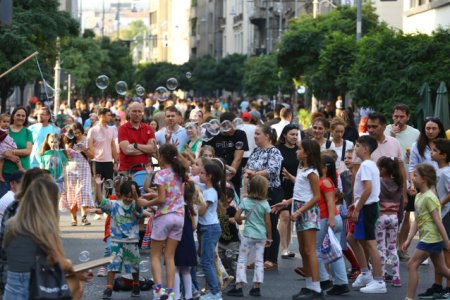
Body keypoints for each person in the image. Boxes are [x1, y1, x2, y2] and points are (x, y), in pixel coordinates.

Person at [3, 175, 85, 300]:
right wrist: (73, 267)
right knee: (77, 284)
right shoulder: (44, 227)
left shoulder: (12, 223)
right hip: (34, 289)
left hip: (11, 289)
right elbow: (58, 262)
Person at [273, 139, 323, 299]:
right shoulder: (302, 168)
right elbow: (300, 194)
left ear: (307, 153)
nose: (296, 150)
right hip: (300, 209)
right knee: (303, 250)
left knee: (309, 251)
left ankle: (317, 289)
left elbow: (316, 197)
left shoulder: (312, 173)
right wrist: (286, 202)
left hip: (307, 212)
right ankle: (309, 285)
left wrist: (299, 211)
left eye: (299, 148)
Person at [137, 144, 187, 300]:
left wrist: (146, 203)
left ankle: (159, 290)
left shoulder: (161, 174)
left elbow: (162, 199)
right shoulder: (180, 173)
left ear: (162, 156)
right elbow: (170, 195)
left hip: (164, 217)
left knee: (155, 256)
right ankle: (171, 292)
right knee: (170, 257)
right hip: (179, 217)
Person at [402, 164, 450, 300]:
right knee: (442, 269)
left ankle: (409, 298)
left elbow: (438, 221)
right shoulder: (419, 196)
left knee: (411, 264)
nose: (413, 178)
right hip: (429, 237)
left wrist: (447, 242)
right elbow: (417, 220)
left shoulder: (429, 197)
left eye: (415, 176)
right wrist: (409, 239)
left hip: (431, 238)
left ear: (424, 179)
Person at [94, 175, 143, 299]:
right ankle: (109, 288)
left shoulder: (135, 205)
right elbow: (101, 201)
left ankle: (136, 285)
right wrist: (98, 185)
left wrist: (136, 198)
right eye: (126, 196)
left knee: (134, 266)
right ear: (121, 194)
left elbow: (139, 210)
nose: (128, 199)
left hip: (131, 241)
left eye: (132, 196)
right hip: (116, 241)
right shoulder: (115, 205)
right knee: (112, 266)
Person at [350, 135, 386, 293]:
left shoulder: (365, 166)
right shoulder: (370, 164)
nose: (355, 148)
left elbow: (368, 188)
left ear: (365, 149)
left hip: (367, 208)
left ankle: (379, 281)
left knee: (371, 244)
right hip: (366, 205)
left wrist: (357, 208)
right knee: (351, 238)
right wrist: (356, 203)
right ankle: (365, 272)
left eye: (357, 146)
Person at [244, 124, 283, 270]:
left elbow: (272, 170)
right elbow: (247, 168)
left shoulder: (274, 151)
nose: (255, 136)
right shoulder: (256, 151)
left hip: (271, 192)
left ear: (267, 136)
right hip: (256, 192)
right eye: (255, 134)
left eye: (258, 134)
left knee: (271, 224)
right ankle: (260, 258)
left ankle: (271, 259)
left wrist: (254, 173)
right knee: (259, 225)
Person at [227, 175, 272, 297]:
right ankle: (256, 286)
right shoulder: (265, 204)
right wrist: (270, 237)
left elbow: (236, 217)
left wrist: (241, 221)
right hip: (261, 236)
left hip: (248, 235)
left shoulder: (245, 202)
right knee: (258, 261)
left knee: (242, 259)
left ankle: (239, 286)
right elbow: (268, 222)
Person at [419, 139, 450, 299]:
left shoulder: (447, 172)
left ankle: (448, 287)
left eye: (435, 151)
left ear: (444, 155)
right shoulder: (439, 171)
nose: (431, 153)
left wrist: (439, 204)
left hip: (446, 214)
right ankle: (438, 285)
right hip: (441, 213)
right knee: (437, 251)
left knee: (446, 250)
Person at [315, 155, 350, 295]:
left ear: (323, 168)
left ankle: (324, 280)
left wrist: (330, 219)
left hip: (328, 218)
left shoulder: (324, 182)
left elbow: (330, 202)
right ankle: (341, 283)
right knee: (335, 252)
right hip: (332, 218)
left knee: (316, 250)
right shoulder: (327, 181)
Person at [204, 112, 249, 196]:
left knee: (234, 200)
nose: (233, 129)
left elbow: (238, 158)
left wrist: (228, 176)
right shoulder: (214, 134)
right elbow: (207, 153)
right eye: (230, 126)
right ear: (223, 125)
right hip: (216, 173)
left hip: (233, 174)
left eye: (234, 125)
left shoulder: (240, 134)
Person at [375, 157, 403, 287]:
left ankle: (381, 276)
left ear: (383, 169)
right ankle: (396, 277)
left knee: (381, 247)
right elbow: (402, 203)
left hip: (381, 217)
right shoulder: (398, 183)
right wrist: (400, 217)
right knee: (392, 248)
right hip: (394, 217)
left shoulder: (379, 183)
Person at [59, 123, 95, 226]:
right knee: (72, 193)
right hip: (71, 169)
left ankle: (84, 217)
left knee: (83, 191)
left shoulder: (87, 140)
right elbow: (64, 157)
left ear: (82, 131)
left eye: (79, 132)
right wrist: (68, 152)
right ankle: (73, 217)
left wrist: (85, 149)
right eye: (74, 133)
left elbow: (92, 156)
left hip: (84, 168)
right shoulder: (68, 141)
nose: (77, 135)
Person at [198, 162, 224, 300]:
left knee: (206, 261)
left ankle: (215, 292)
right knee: (206, 260)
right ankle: (213, 291)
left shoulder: (211, 192)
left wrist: (194, 205)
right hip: (207, 228)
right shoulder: (206, 188)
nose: (199, 175)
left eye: (202, 173)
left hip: (210, 228)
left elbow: (202, 212)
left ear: (209, 176)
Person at [276, 124, 298, 259]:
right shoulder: (277, 150)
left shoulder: (299, 150)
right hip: (281, 186)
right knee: (284, 216)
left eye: (296, 134)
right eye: (292, 134)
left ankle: (287, 247)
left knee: (290, 218)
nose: (295, 137)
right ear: (285, 135)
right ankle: (283, 248)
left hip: (295, 186)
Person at [173, 181, 198, 300]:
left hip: (176, 241)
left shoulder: (176, 207)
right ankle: (188, 296)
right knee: (186, 270)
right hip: (188, 241)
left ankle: (176, 296)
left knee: (175, 269)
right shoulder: (189, 208)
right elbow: (194, 226)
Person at [0, 108, 32, 198]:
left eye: (23, 116)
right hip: (5, 173)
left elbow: (28, 151)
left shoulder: (27, 132)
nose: (21, 118)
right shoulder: (4, 130)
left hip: (22, 174)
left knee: (20, 203)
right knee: (3, 203)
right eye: (18, 115)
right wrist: (9, 156)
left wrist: (11, 152)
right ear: (13, 116)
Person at [118, 102, 157, 174]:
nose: (137, 114)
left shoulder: (149, 129)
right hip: (127, 170)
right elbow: (126, 150)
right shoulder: (122, 129)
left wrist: (136, 145)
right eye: (134, 111)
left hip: (145, 169)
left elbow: (152, 149)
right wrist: (146, 150)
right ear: (129, 112)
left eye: (139, 111)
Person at [87, 108, 119, 184]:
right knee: (97, 188)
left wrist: (116, 161)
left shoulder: (112, 129)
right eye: (108, 115)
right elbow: (90, 148)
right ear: (101, 116)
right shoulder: (92, 130)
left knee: (109, 188)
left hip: (108, 162)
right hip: (96, 162)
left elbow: (113, 146)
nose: (110, 117)